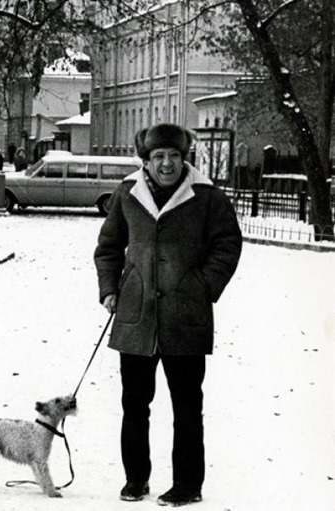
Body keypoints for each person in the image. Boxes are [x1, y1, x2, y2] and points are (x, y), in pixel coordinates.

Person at [94, 123, 242, 506]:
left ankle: (188, 485)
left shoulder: (207, 197)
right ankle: (135, 479)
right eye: (158, 156)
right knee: (134, 404)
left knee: (187, 407)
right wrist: (110, 289)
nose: (166, 163)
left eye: (174, 155)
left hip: (186, 317)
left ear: (183, 158)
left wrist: (202, 286)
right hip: (136, 316)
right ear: (145, 161)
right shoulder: (128, 193)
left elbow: (228, 244)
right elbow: (109, 246)